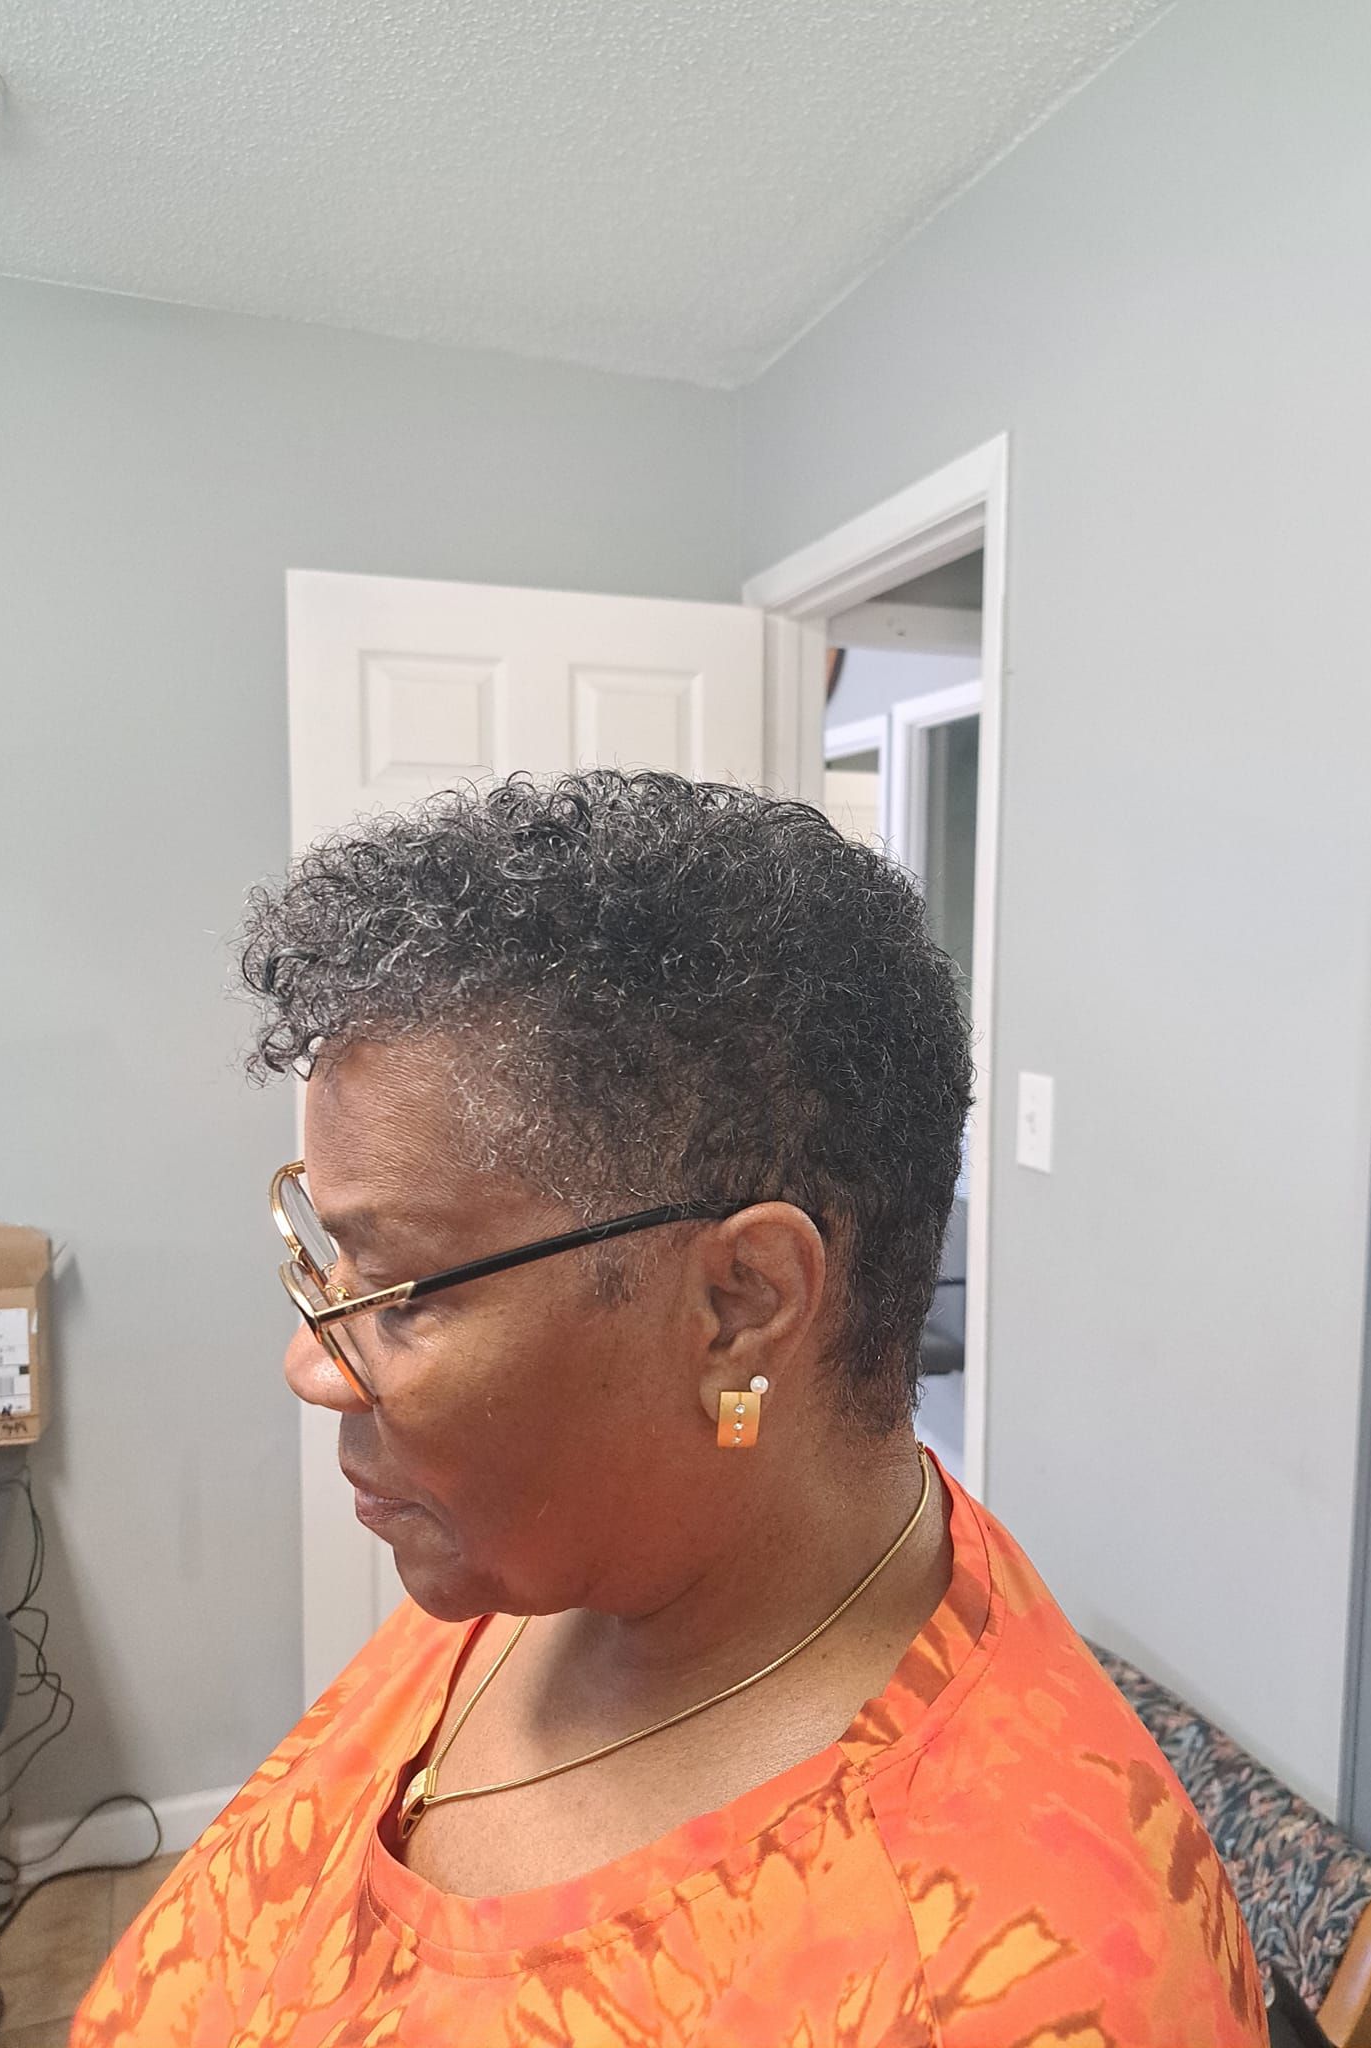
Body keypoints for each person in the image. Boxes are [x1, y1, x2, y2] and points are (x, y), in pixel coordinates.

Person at [73, 771, 1267, 2046]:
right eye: (327, 1257)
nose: (313, 1364)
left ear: (741, 1303)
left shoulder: (1010, 1977)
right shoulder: (548, 1548)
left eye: (402, 1289)